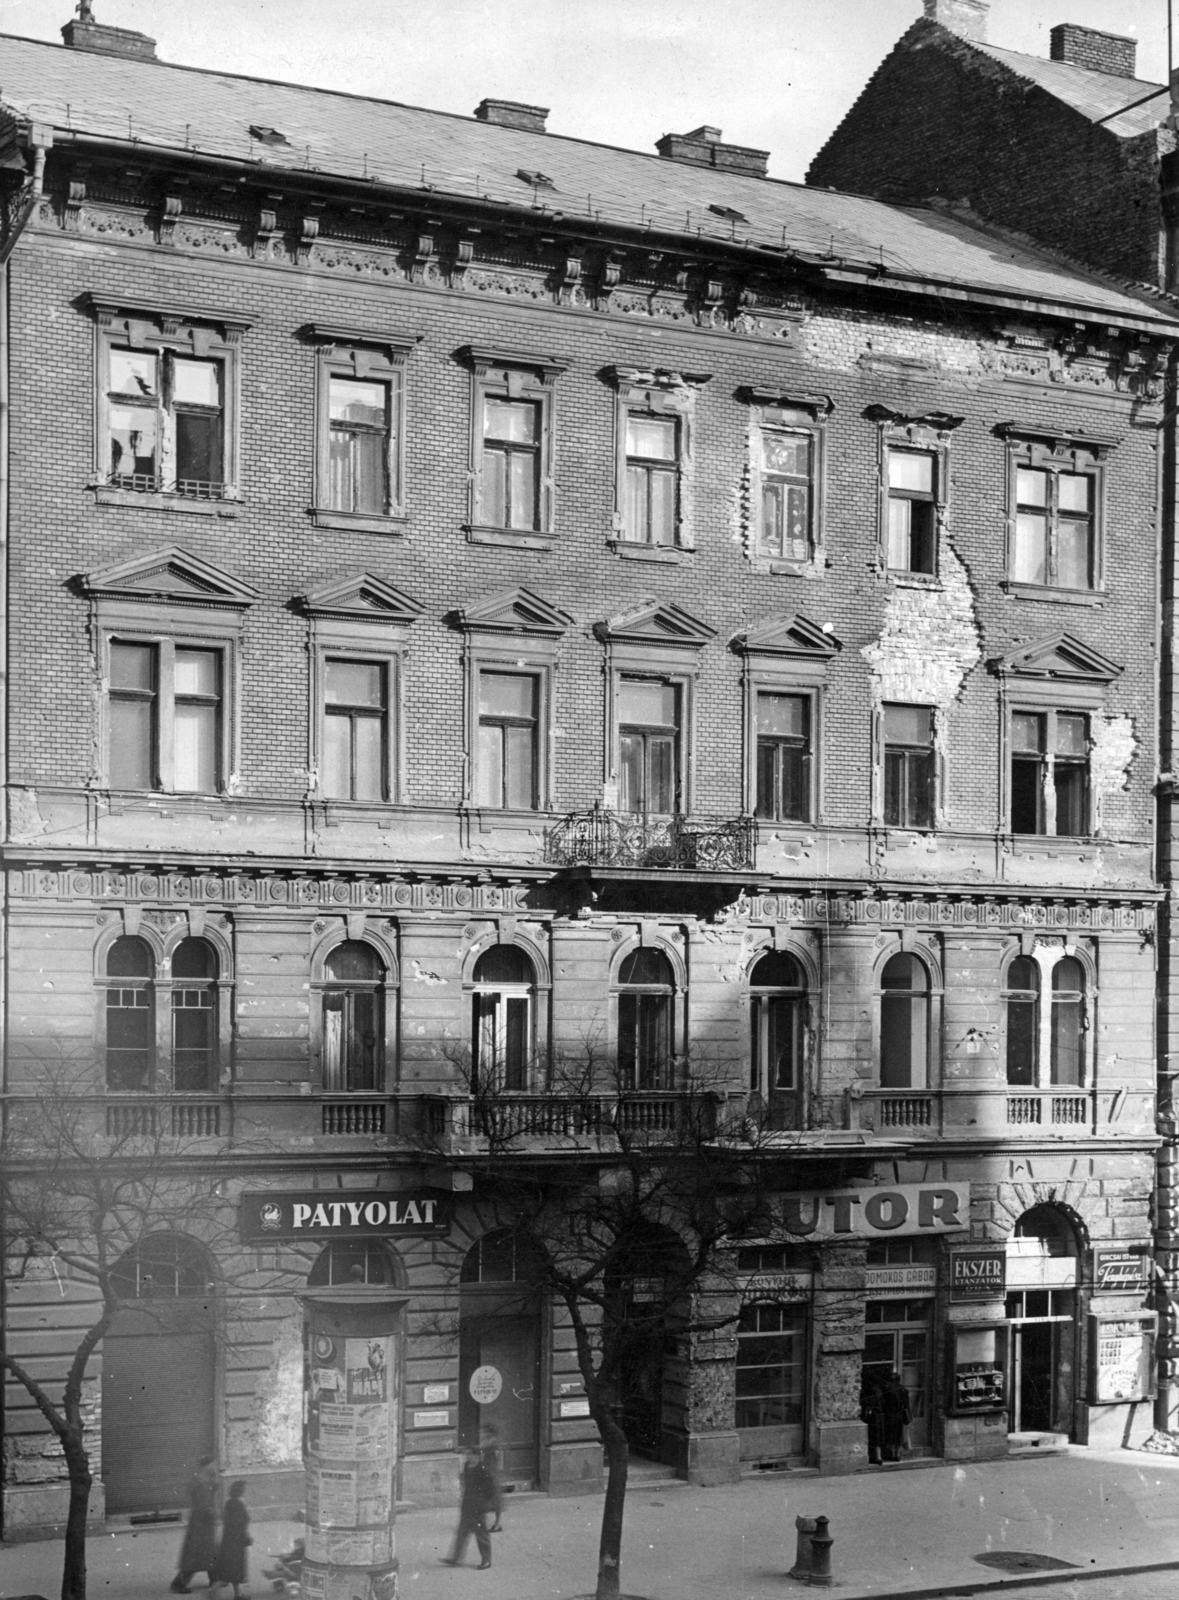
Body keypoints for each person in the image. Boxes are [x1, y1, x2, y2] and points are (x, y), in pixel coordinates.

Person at [442, 1447, 502, 1570]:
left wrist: (484, 1503)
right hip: (467, 1507)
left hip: (478, 1509)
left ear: (477, 1456)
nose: (467, 1457)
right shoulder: (467, 1466)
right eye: (466, 1455)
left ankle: (486, 1560)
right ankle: (455, 1559)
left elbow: (490, 1489)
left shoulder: (483, 1469)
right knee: (461, 1533)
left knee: (482, 1535)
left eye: (469, 1455)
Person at [171, 1454, 221, 1593]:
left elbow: (214, 1489)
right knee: (199, 1552)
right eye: (214, 1464)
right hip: (202, 1520)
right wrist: (212, 1513)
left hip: (202, 1520)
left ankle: (215, 1578)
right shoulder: (201, 1480)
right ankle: (179, 1583)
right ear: (208, 1465)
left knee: (209, 1550)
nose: (216, 1467)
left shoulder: (204, 1478)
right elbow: (204, 1502)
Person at [210, 1479, 252, 1599]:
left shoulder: (231, 1502)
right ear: (240, 1491)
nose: (246, 1490)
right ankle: (212, 1591)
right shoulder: (238, 1504)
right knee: (233, 1569)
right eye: (245, 1489)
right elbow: (238, 1524)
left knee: (233, 1569)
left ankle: (237, 1594)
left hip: (231, 1540)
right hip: (236, 1542)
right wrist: (246, 1537)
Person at [879, 1369, 912, 1463]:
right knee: (898, 1435)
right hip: (900, 1415)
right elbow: (906, 1405)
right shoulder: (904, 1390)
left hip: (889, 1415)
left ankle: (892, 1454)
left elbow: (884, 1403)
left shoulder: (887, 1390)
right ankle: (897, 1455)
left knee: (890, 1435)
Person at [860, 1371, 884, 1466]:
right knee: (878, 1437)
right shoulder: (879, 1390)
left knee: (874, 1436)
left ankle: (876, 1457)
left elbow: (867, 1403)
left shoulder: (870, 1391)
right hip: (879, 1415)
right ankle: (878, 1457)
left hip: (873, 1416)